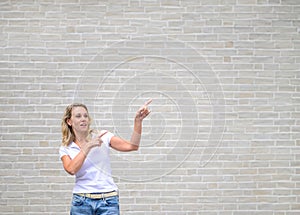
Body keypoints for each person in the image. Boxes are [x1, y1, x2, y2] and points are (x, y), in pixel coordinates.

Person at [59, 99, 152, 215]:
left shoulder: (103, 136)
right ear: (69, 121)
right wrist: (87, 146)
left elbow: (132, 146)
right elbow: (71, 169)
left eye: (85, 116)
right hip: (81, 201)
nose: (83, 119)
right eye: (78, 116)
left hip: (108, 200)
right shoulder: (66, 148)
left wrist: (138, 121)